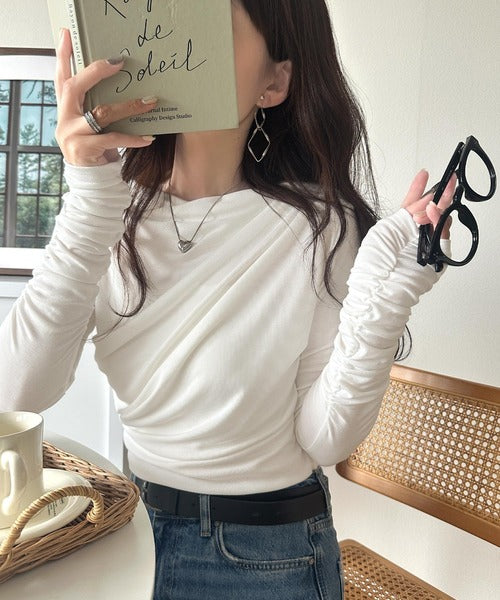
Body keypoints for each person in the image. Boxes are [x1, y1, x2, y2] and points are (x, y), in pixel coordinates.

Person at [0, 1, 454, 598]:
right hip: (127, 532)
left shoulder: (320, 226)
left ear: (275, 82)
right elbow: (15, 394)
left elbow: (326, 440)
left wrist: (387, 290)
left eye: (211, 21)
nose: (178, 43)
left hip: (269, 554)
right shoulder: (107, 211)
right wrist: (89, 192)